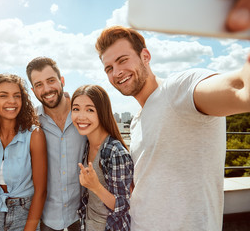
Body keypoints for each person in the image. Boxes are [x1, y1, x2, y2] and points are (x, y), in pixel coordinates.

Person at [95, 26, 250, 230]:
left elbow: (239, 89)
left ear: (145, 56)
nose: (117, 72)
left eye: (123, 60)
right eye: (109, 68)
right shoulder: (136, 121)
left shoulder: (178, 90)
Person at [26, 57, 87, 231]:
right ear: (33, 90)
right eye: (39, 85)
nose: (46, 89)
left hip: (82, 216)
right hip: (46, 220)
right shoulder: (30, 123)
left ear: (62, 81)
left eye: (51, 81)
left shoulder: (84, 115)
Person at [0, 73, 47, 231]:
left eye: (17, 96)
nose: (12, 101)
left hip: (24, 213)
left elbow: (41, 190)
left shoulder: (34, 135)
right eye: (3, 96)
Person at [71, 84, 133, 231]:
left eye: (90, 110)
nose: (81, 116)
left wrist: (96, 187)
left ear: (102, 112)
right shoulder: (87, 144)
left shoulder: (115, 152)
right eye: (76, 109)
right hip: (88, 224)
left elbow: (123, 205)